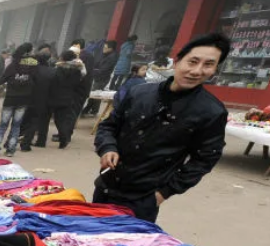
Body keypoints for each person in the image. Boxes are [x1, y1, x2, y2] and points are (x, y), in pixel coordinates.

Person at [93, 33, 230, 223]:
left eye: (208, 65)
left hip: (143, 200)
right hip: (105, 186)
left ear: (214, 70)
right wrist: (107, 147)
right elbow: (109, 126)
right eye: (193, 61)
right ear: (177, 61)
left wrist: (163, 193)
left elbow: (205, 159)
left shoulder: (211, 112)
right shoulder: (139, 93)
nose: (197, 71)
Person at [0, 42, 37, 156]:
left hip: (10, 99)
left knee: (3, 125)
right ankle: (11, 150)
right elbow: (36, 82)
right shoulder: (33, 66)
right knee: (16, 126)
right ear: (29, 52)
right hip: (23, 100)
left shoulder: (12, 65)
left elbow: (1, 80)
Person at [21, 46, 55, 150]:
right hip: (43, 101)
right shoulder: (52, 71)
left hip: (28, 99)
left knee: (24, 120)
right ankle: (33, 142)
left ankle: (13, 140)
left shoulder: (31, 69)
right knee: (36, 122)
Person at [48, 50, 83, 148]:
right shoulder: (77, 70)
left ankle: (63, 138)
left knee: (57, 120)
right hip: (69, 97)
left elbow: (54, 82)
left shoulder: (58, 69)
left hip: (57, 97)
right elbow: (77, 83)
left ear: (63, 58)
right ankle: (64, 139)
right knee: (62, 119)